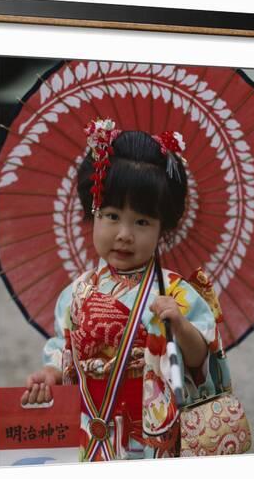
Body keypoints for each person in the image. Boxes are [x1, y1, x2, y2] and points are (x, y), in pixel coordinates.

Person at [20, 118, 226, 461]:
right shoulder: (76, 293)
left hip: (152, 431)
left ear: (163, 227)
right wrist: (51, 372)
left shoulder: (177, 293)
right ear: (93, 212)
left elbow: (206, 367)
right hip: (93, 423)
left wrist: (182, 327)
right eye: (112, 215)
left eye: (142, 222)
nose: (124, 234)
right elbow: (63, 347)